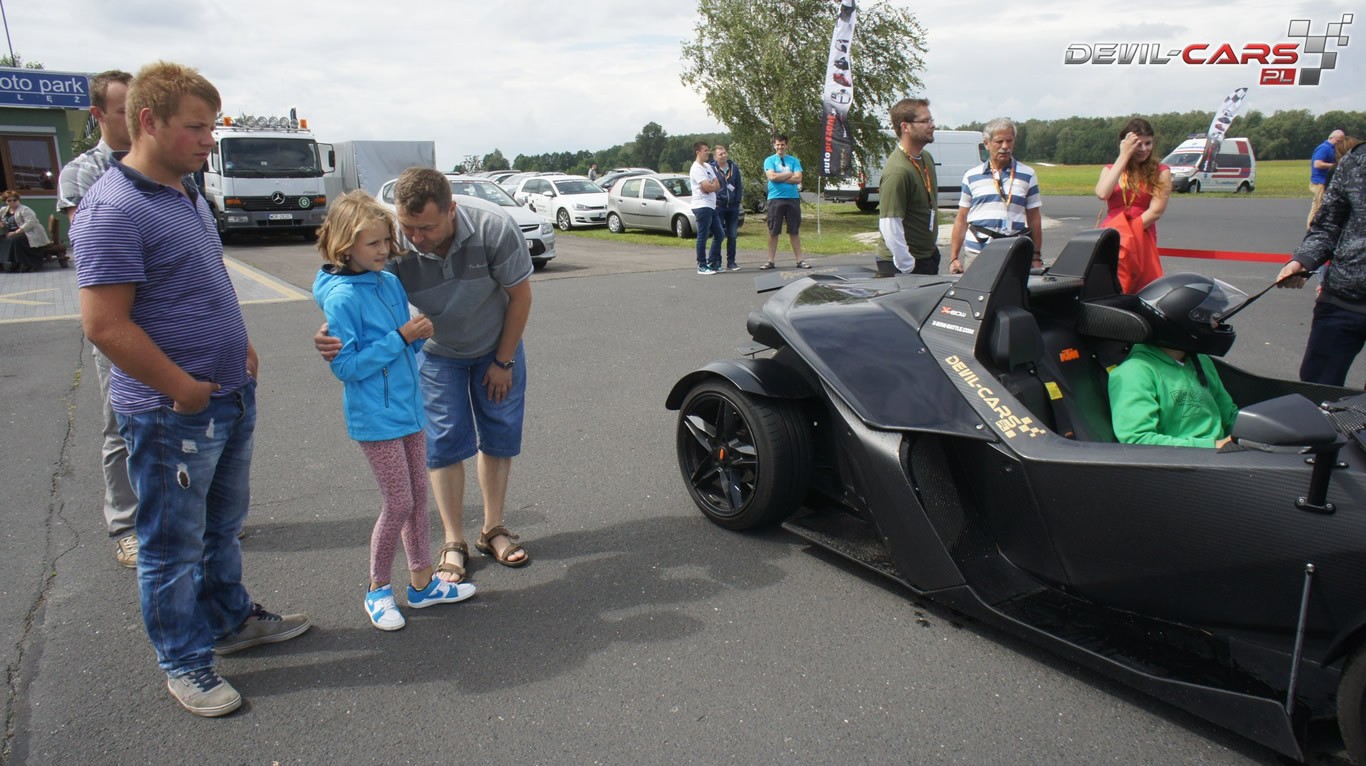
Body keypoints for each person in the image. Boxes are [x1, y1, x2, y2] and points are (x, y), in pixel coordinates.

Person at [74, 61, 309, 718]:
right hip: (172, 411)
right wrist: (180, 387)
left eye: (211, 127)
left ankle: (230, 621)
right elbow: (104, 324)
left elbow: (203, 278)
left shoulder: (185, 192)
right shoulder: (112, 208)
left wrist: (241, 345)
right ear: (148, 121)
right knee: (171, 548)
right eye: (197, 127)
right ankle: (183, 661)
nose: (210, 140)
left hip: (227, 392)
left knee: (222, 528)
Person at [316, 167, 532, 584]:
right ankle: (453, 540)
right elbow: (354, 290)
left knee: (498, 433)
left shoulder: (494, 227)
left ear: (451, 210)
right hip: (433, 352)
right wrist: (330, 331)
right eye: (407, 227)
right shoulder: (391, 239)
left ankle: (493, 528)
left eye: (426, 228)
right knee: (445, 442)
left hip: (494, 344)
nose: (413, 238)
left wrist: (503, 361)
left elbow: (520, 295)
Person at [313, 191, 477, 630]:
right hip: (375, 418)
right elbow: (346, 367)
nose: (385, 249)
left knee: (418, 498)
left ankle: (422, 584)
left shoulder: (387, 282)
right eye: (373, 243)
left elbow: (406, 343)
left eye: (387, 240)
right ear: (345, 244)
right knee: (399, 502)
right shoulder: (342, 297)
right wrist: (402, 337)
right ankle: (377, 589)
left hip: (410, 408)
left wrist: (418, 336)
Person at [56, 69, 140, 568]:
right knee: (120, 425)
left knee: (181, 416)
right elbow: (97, 245)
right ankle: (127, 526)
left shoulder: (165, 166)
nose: (136, 119)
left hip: (168, 320)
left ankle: (182, 515)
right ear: (98, 114)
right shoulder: (83, 172)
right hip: (121, 320)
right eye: (123, 110)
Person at [1108, 273, 1243, 448]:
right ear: (1181, 322)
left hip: (1221, 452)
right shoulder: (1135, 373)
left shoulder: (1200, 361)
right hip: (1182, 460)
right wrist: (1213, 446)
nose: (1216, 325)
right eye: (1210, 318)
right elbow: (1138, 440)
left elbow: (1229, 415)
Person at [1277, 136, 1366, 386]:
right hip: (1342, 301)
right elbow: (1327, 226)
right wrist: (1303, 261)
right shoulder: (1356, 161)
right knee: (1316, 391)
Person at [948, 117, 1043, 275]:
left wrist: (1036, 256)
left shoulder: (1028, 174)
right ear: (986, 144)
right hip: (978, 253)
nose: (1005, 146)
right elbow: (962, 219)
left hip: (1014, 253)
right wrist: (953, 258)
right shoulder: (971, 176)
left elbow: (1034, 218)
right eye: (999, 141)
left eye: (1009, 141)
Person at [1095, 118, 1171, 294]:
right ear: (1125, 144)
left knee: (1142, 288)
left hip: (1140, 234)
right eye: (1137, 144)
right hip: (1112, 235)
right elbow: (1102, 193)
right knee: (1109, 287)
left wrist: (1127, 233)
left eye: (1148, 143)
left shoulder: (1161, 171)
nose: (1143, 149)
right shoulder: (1110, 169)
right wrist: (1123, 157)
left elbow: (1156, 211)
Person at [876, 98, 940, 276]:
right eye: (925, 121)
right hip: (902, 264)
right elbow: (890, 224)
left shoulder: (926, 158)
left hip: (926, 257)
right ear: (905, 127)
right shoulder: (898, 171)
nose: (932, 125)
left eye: (931, 119)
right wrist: (907, 265)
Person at [759, 134, 809, 270]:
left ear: (787, 145)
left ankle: (800, 260)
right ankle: (770, 261)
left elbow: (798, 179)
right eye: (777, 144)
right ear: (774, 145)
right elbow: (771, 176)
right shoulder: (769, 160)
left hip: (792, 198)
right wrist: (789, 174)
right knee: (773, 231)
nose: (780, 147)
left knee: (794, 230)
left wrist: (780, 177)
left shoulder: (794, 160)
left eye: (782, 144)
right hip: (775, 199)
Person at [689, 141, 723, 275]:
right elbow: (707, 187)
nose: (707, 153)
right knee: (703, 236)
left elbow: (717, 184)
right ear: (697, 152)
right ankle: (702, 265)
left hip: (711, 205)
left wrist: (710, 186)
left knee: (719, 234)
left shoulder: (708, 166)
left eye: (708, 150)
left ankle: (713, 262)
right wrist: (710, 186)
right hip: (701, 205)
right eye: (705, 150)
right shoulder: (696, 168)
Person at [710, 144, 743, 271]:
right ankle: (717, 262)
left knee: (732, 235)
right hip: (719, 207)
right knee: (719, 235)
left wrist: (737, 201)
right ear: (715, 157)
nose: (724, 156)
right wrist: (716, 201)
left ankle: (731, 262)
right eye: (720, 154)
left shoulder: (734, 167)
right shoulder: (711, 169)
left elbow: (738, 185)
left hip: (733, 207)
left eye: (725, 153)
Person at [1, 191, 50, 273]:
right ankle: (10, 262)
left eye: (14, 200)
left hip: (29, 232)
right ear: (5, 201)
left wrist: (16, 232)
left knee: (15, 240)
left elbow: (30, 222)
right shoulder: (4, 210)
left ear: (18, 200)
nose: (12, 202)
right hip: (12, 232)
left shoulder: (25, 209)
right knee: (2, 239)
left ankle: (26, 263)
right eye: (9, 200)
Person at [1308, 130, 1345, 228]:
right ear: (1331, 138)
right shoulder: (1324, 148)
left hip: (1326, 181)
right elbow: (1317, 164)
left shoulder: (1333, 148)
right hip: (1320, 182)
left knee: (1321, 207)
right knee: (1318, 207)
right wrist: (1334, 165)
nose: (1340, 143)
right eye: (1338, 141)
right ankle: (1311, 228)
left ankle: (1315, 228)